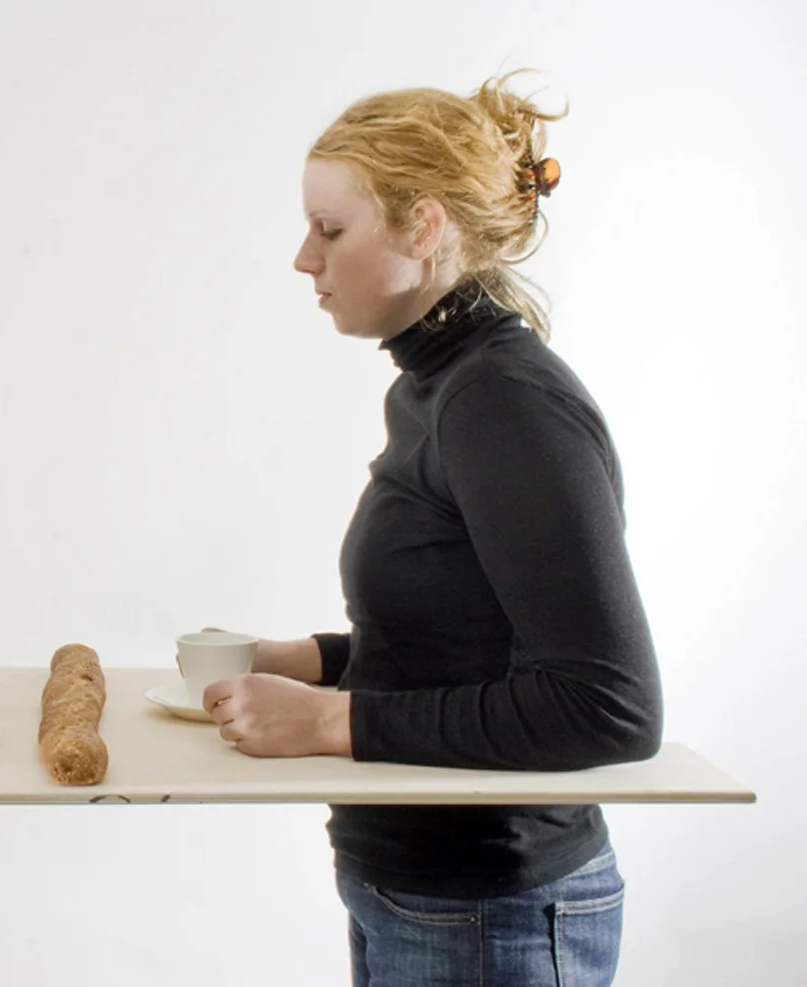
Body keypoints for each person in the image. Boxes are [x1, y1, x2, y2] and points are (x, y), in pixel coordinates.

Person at [198, 71, 664, 986]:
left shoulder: (503, 400)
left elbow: (608, 705)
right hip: (424, 896)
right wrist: (315, 659)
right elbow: (472, 640)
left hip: (493, 910)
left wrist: (331, 719)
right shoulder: (437, 386)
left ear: (424, 227)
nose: (303, 258)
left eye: (330, 229)